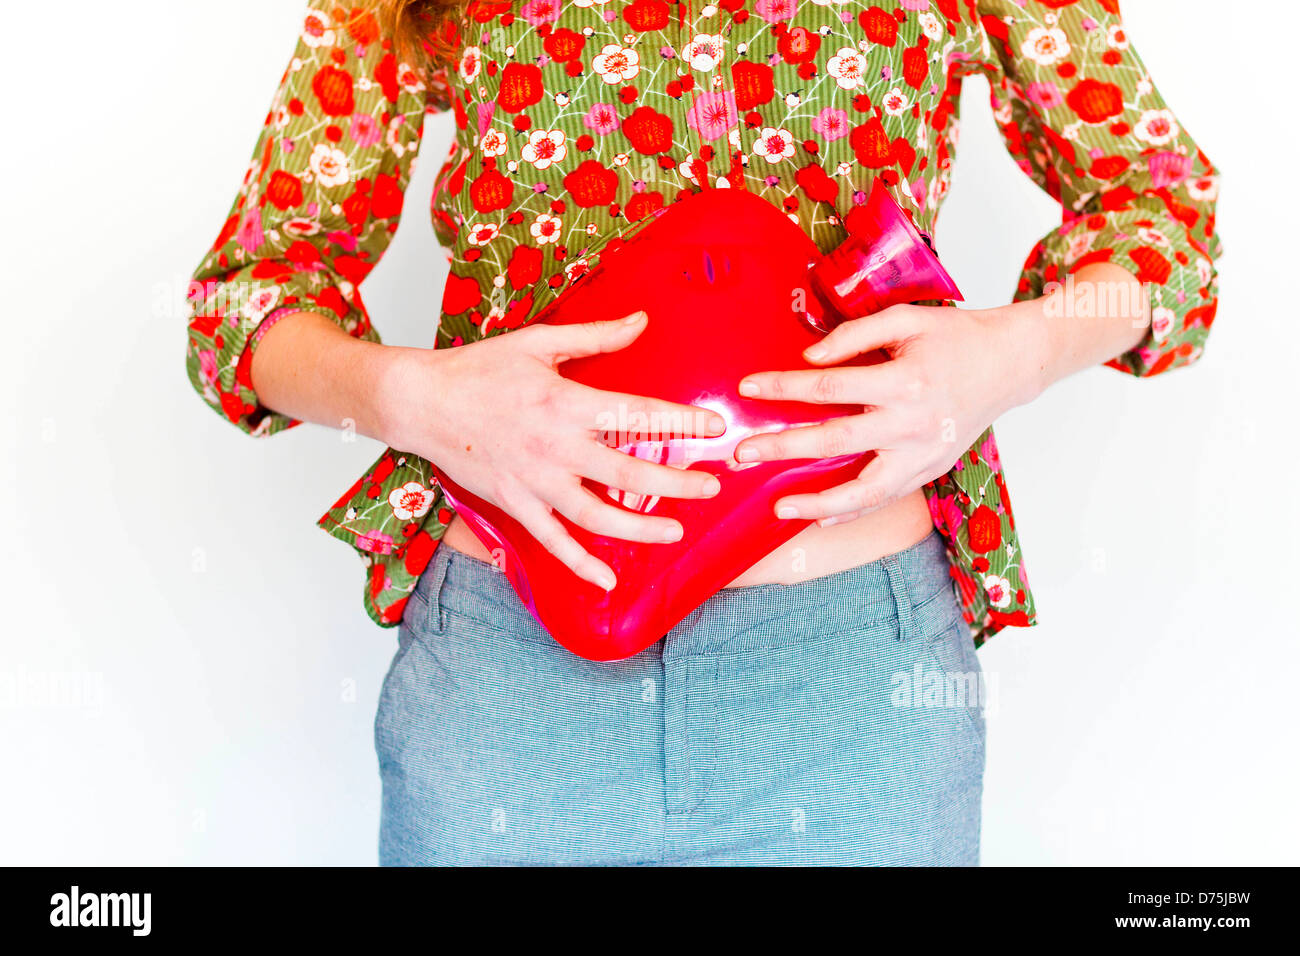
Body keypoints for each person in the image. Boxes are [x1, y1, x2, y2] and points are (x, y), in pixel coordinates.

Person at [185, 0, 1221, 865]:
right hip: (510, 682)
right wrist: (412, 397)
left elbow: (1165, 221)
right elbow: (248, 301)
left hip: (851, 687)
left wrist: (1009, 355)